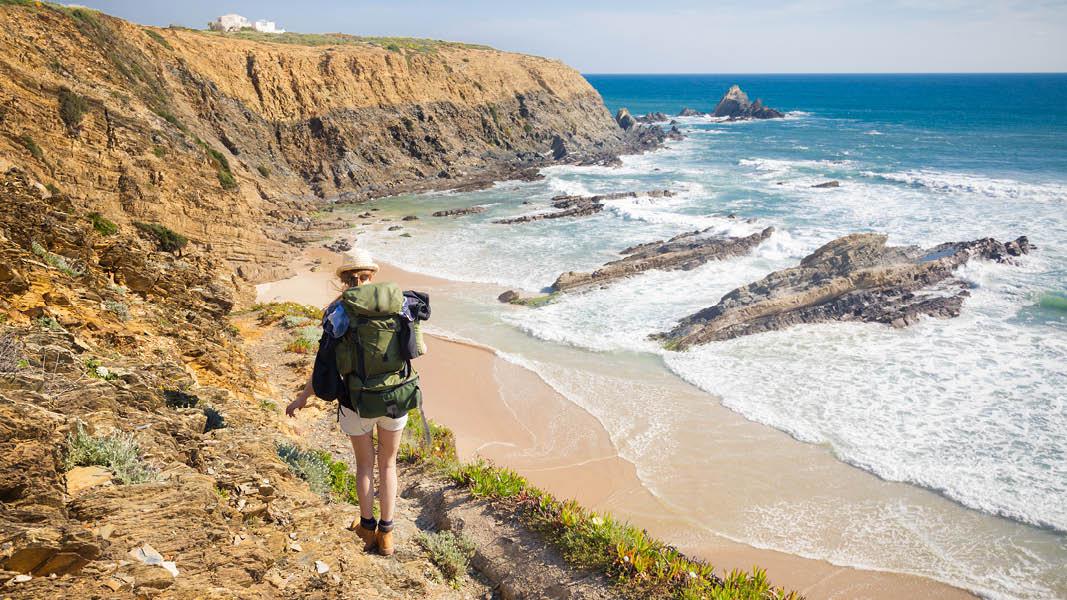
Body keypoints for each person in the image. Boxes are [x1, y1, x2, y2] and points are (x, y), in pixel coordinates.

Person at [285, 249, 406, 557]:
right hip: (395, 398)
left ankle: (367, 529)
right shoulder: (398, 303)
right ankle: (387, 535)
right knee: (389, 464)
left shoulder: (337, 312)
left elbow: (324, 364)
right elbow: (418, 348)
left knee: (365, 464)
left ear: (342, 280)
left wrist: (303, 397)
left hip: (356, 401)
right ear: (372, 277)